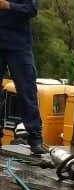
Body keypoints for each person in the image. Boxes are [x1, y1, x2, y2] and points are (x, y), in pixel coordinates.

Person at [0, 0, 48, 155]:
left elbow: (32, 10)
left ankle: (35, 138)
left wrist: (8, 6)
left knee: (26, 90)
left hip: (19, 45)